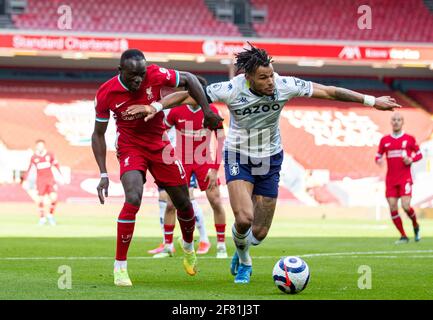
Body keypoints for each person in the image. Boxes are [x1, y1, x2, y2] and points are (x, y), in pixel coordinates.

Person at [131, 43, 401, 284]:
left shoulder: (285, 85)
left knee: (258, 232)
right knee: (245, 218)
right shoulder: (231, 89)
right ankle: (245, 262)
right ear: (248, 77)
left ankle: (242, 250)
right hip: (239, 155)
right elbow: (187, 94)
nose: (270, 81)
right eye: (263, 77)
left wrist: (372, 101)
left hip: (271, 158)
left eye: (271, 74)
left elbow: (329, 92)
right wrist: (155, 107)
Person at [91, 49, 222, 287]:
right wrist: (103, 173)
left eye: (141, 75)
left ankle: (189, 247)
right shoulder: (106, 92)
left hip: (160, 144)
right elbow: (98, 134)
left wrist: (207, 111)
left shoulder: (155, 74)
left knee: (183, 202)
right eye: (133, 76)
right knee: (132, 198)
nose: (139, 80)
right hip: (131, 147)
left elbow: (191, 79)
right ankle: (120, 266)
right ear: (120, 71)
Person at [376, 112, 422, 244]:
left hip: (405, 178)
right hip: (391, 179)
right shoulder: (385, 140)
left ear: (402, 122)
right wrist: (378, 160)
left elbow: (419, 155)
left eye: (399, 120)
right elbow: (378, 155)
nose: (396, 122)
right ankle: (403, 236)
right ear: (391, 122)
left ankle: (415, 225)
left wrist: (411, 159)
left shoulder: (409, 139)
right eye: (394, 120)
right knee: (392, 207)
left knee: (406, 206)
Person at [22, 139, 62, 226]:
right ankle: (42, 218)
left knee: (54, 198)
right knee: (40, 200)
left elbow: (56, 165)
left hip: (50, 180)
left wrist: (61, 175)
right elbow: (29, 169)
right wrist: (25, 180)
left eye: (42, 145)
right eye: (39, 146)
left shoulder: (49, 155)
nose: (40, 147)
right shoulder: (34, 157)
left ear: (44, 146)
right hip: (40, 181)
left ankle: (50, 215)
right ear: (36, 147)